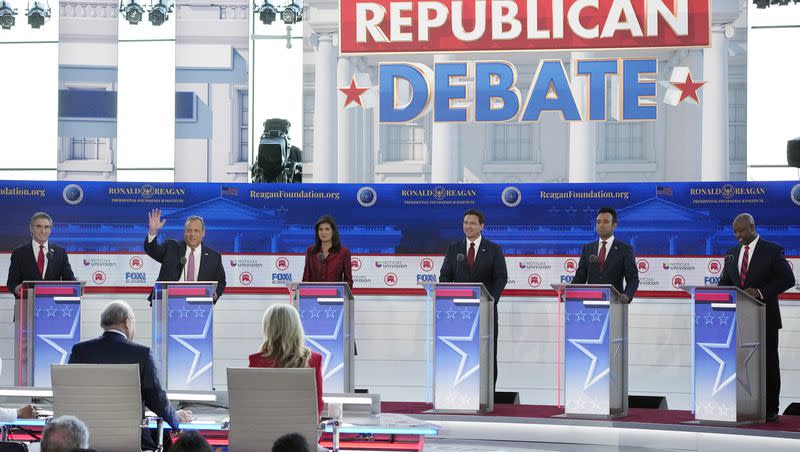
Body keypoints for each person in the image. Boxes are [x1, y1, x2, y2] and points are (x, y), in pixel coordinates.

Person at [68, 300, 192, 450]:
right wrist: (175, 420)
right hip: (132, 443)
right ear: (127, 322)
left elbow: (72, 394)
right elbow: (156, 399)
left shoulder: (80, 351)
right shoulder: (142, 354)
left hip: (85, 442)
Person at [718, 213, 795, 422]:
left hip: (765, 318)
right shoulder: (731, 254)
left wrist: (760, 292)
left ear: (753, 226)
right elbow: (724, 283)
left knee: (768, 363)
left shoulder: (772, 250)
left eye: (741, 230)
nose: (737, 235)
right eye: (734, 231)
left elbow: (788, 279)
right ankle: (742, 405)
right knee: (739, 363)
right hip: (738, 320)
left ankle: (771, 408)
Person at [439, 209, 508, 390]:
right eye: (465, 223)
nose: (467, 226)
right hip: (459, 311)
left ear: (481, 226)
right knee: (461, 353)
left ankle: (487, 394)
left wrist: (490, 300)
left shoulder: (494, 249)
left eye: (472, 223)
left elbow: (501, 278)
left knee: (487, 354)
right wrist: (450, 298)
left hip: (485, 311)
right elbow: (445, 276)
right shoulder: (454, 249)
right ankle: (459, 390)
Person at [249, 304, 324, 418]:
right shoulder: (314, 360)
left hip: (264, 430)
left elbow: (251, 405)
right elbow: (317, 405)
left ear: (268, 328)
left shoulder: (256, 361)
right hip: (300, 432)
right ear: (297, 328)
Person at [144, 209, 226, 303]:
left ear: (203, 233)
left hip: (200, 306)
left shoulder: (214, 257)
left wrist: (215, 295)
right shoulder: (171, 247)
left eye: (196, 231)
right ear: (184, 232)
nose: (192, 234)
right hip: (167, 302)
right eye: (189, 230)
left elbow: (221, 282)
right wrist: (153, 231)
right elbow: (152, 250)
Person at [572, 207, 639, 303]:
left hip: (615, 304)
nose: (601, 225)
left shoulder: (625, 249)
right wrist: (569, 292)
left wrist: (626, 295)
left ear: (614, 225)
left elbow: (633, 279)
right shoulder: (587, 248)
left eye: (605, 222)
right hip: (590, 303)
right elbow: (580, 277)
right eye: (598, 222)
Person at [6, 212, 75, 298]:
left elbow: (69, 280)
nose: (43, 231)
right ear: (31, 228)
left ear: (50, 229)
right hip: (26, 304)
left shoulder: (60, 252)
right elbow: (11, 282)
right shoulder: (19, 253)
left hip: (53, 306)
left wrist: (77, 288)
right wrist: (16, 288)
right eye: (39, 226)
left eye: (46, 227)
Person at [302, 215, 353, 290]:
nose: (323, 232)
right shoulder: (311, 251)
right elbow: (306, 278)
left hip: (335, 297)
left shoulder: (344, 252)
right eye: (320, 229)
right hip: (314, 296)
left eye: (327, 229)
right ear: (317, 232)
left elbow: (348, 281)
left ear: (333, 231)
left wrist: (343, 296)